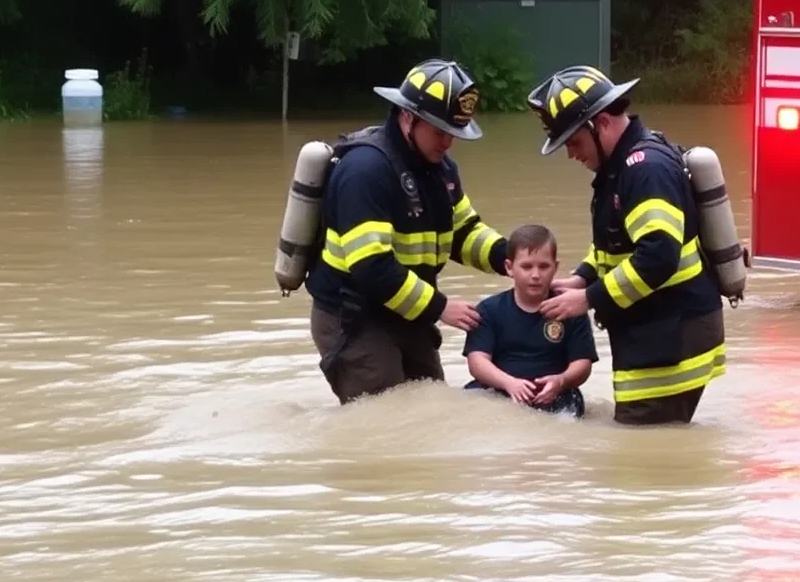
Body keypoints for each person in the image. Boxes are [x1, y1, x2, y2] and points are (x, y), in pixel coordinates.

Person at [526, 65, 725, 425]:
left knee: (649, 463)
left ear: (600, 123)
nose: (571, 154)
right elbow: (616, 243)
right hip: (660, 334)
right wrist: (582, 278)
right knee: (646, 451)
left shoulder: (644, 169)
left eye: (574, 141)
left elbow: (658, 256)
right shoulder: (621, 169)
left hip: (672, 339)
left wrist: (587, 299)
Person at [306, 58, 509, 404]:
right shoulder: (365, 171)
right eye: (440, 131)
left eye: (454, 133)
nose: (448, 143)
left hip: (408, 312)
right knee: (387, 418)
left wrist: (513, 259)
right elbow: (372, 267)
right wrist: (441, 307)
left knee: (429, 407)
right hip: (355, 318)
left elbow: (463, 232)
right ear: (407, 117)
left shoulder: (440, 169)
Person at [462, 223, 598, 417]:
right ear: (509, 268)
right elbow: (477, 362)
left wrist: (561, 381)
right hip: (498, 394)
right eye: (526, 266)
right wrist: (509, 383)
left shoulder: (571, 309)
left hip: (557, 398)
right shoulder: (488, 310)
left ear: (555, 268)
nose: (535, 275)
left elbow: (582, 364)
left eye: (544, 266)